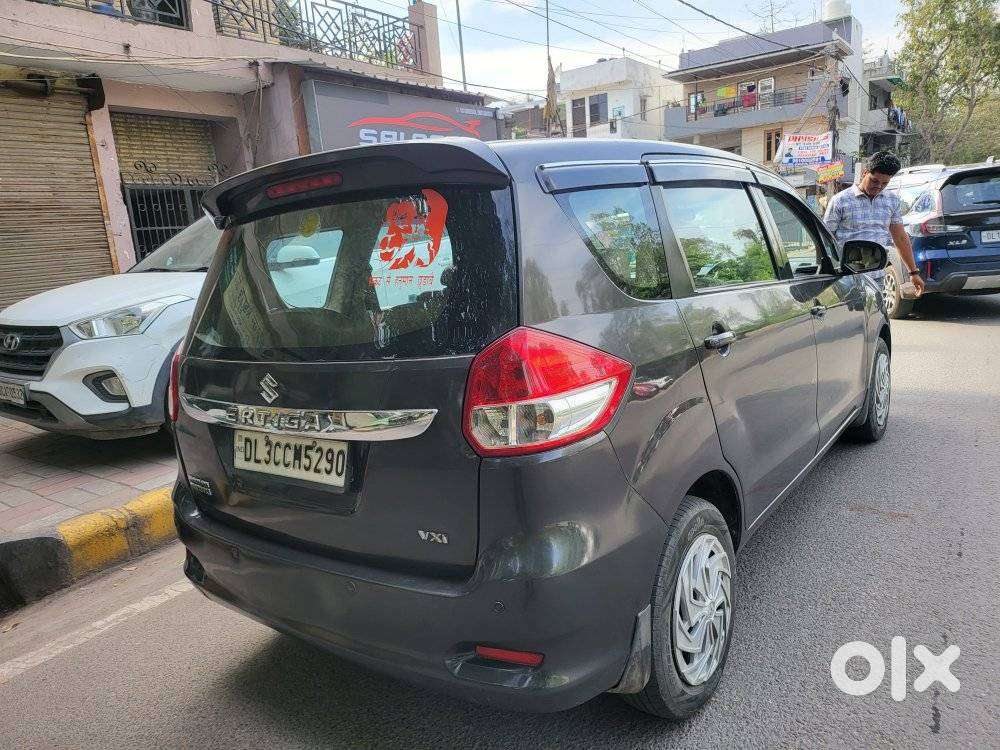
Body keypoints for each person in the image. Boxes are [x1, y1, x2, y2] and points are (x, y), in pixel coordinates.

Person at [823, 150, 925, 298]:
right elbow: (826, 239)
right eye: (874, 181)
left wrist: (913, 272)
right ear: (865, 173)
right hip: (846, 278)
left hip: (876, 277)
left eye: (885, 183)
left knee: (875, 320)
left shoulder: (892, 201)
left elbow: (901, 238)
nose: (878, 186)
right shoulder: (840, 201)